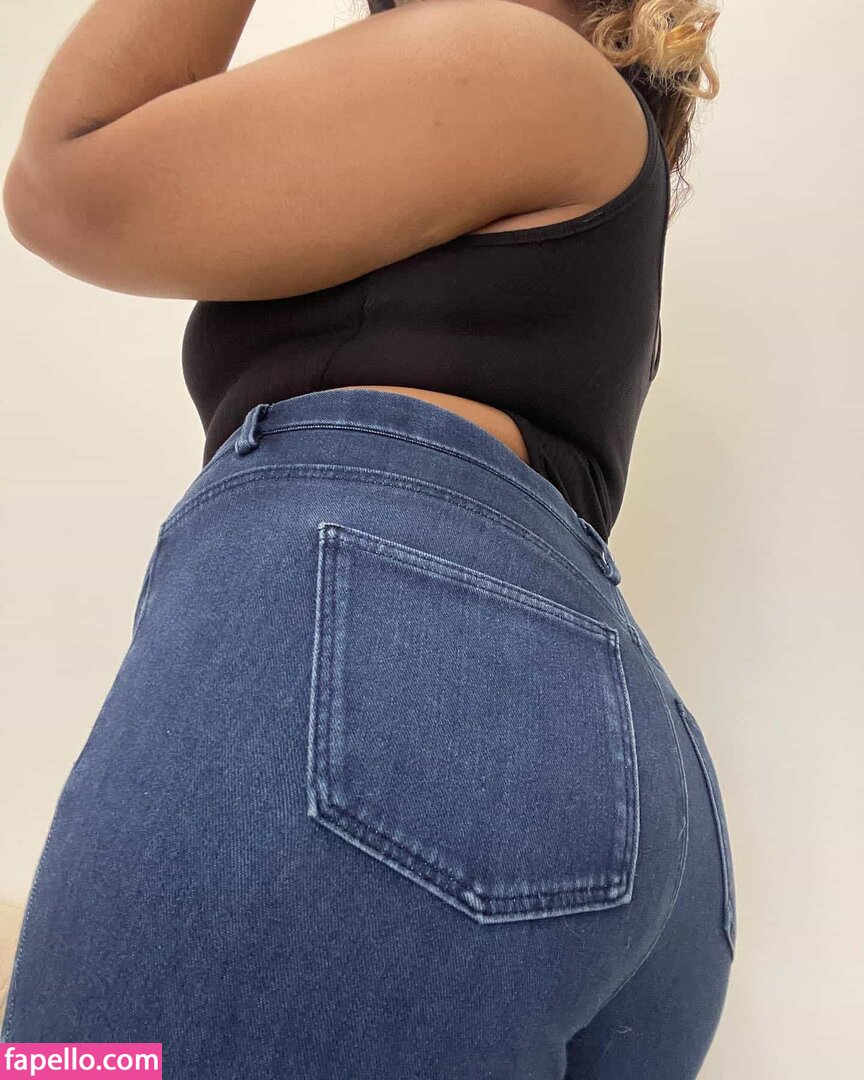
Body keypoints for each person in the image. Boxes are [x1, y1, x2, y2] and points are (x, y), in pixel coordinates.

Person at [2, 1, 734, 1076]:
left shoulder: (512, 58)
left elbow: (65, 178)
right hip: (612, 776)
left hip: (394, 702)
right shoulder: (578, 131)